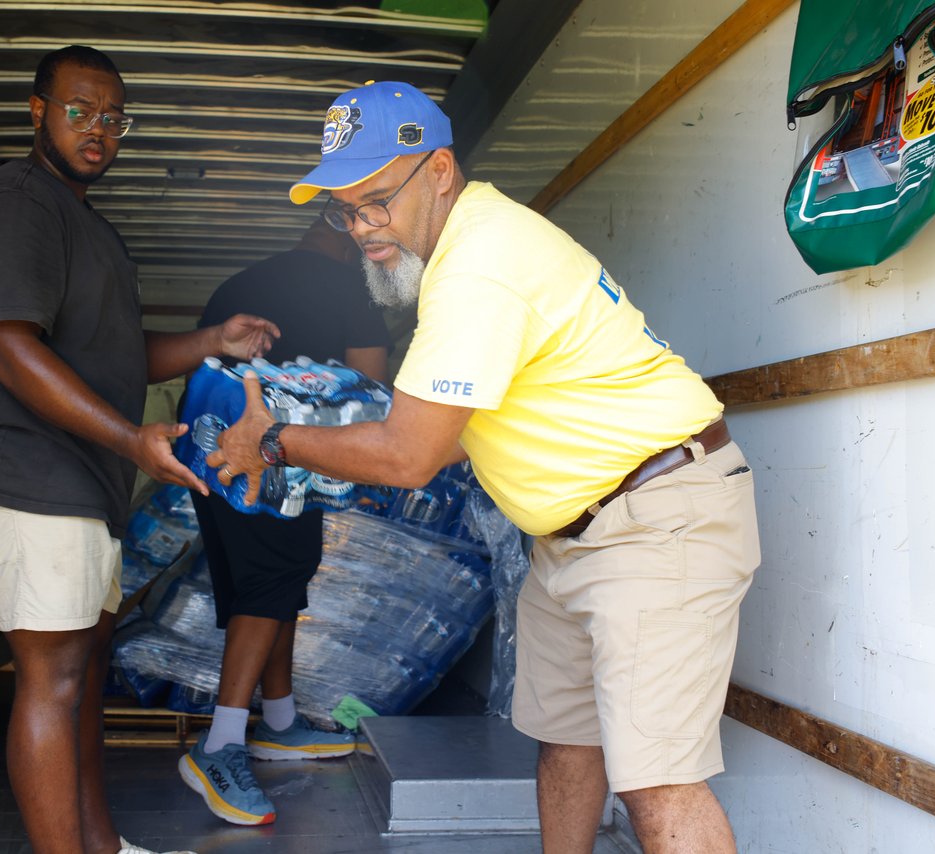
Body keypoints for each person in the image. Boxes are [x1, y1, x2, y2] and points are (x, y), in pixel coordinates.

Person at [207, 81, 761, 854]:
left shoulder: (479, 266)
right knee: (566, 745)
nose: (365, 228)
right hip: (574, 536)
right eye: (346, 209)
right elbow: (452, 433)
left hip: (652, 520)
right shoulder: (464, 254)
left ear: (438, 171)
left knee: (657, 780)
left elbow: (411, 454)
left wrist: (276, 444)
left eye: (377, 200)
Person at [0, 45, 278, 854]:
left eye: (113, 118)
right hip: (19, 477)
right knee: (53, 683)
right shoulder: (13, 207)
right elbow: (9, 348)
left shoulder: (82, 222)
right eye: (79, 110)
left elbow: (114, 357)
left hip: (74, 487)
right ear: (36, 110)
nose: (98, 130)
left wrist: (212, 341)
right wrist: (131, 437)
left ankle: (102, 845)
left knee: (79, 677)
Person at [177, 218, 391, 826]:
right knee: (275, 578)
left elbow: (198, 370)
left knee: (272, 580)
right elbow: (371, 390)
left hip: (210, 450)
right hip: (274, 458)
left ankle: (277, 721)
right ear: (348, 238)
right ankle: (219, 746)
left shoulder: (237, 286)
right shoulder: (356, 290)